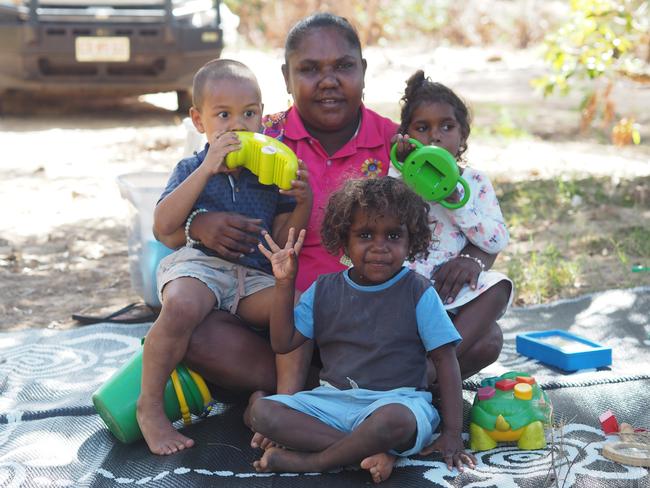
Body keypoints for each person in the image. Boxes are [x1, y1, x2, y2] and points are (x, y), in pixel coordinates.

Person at [249, 177, 477, 480]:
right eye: (366, 234)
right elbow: (282, 342)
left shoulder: (417, 291)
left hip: (397, 402)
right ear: (344, 240)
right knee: (263, 412)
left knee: (393, 421)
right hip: (331, 403)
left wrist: (451, 433)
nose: (379, 247)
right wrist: (284, 283)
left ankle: (314, 461)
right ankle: (367, 454)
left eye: (393, 235)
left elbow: (445, 361)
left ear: (411, 243)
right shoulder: (324, 289)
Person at [138, 58, 312, 455]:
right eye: (223, 115)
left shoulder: (270, 170)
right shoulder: (191, 166)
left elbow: (282, 239)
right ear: (199, 121)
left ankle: (285, 408)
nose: (238, 125)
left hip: (253, 275)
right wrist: (207, 169)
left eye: (249, 113)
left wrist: (304, 200)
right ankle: (149, 406)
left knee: (299, 310)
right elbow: (162, 226)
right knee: (181, 304)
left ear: (262, 117)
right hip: (200, 266)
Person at [391, 70, 513, 385]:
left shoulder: (474, 182)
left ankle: (431, 373)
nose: (435, 136)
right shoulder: (400, 180)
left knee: (499, 288)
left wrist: (456, 201)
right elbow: (382, 222)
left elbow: (496, 239)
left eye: (447, 126)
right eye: (422, 128)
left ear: (463, 136)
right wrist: (400, 171)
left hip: (453, 298)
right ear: (406, 137)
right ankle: (423, 381)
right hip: (406, 294)